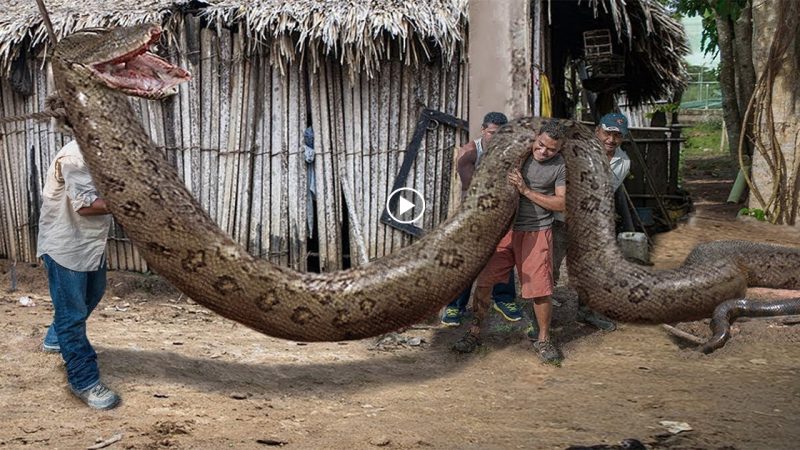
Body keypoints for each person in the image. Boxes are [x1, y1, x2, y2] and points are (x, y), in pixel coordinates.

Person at [452, 120, 567, 365]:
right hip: (504, 229)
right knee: (483, 283)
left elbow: (561, 204)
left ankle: (544, 340)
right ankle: (474, 333)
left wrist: (525, 190)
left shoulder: (559, 167)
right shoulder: (516, 152)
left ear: (559, 150)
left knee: (541, 290)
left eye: (551, 150)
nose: (543, 152)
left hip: (537, 231)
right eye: (541, 145)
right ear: (536, 138)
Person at [38, 138, 120, 410]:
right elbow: (85, 206)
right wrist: (129, 203)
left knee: (92, 295)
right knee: (72, 316)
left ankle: (53, 338)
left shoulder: (101, 153)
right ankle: (83, 380)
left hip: (89, 244)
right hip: (66, 246)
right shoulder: (74, 157)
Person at [551, 112, 631, 331]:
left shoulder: (623, 162)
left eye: (617, 136)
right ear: (597, 130)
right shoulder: (574, 151)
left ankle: (586, 313)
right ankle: (541, 316)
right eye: (607, 133)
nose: (611, 140)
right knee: (550, 268)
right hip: (561, 219)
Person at [441, 112, 521, 327]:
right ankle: (454, 306)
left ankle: (504, 300)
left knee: (503, 255)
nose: (496, 139)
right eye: (492, 134)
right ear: (483, 130)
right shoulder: (469, 153)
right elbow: (474, 187)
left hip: (501, 213)